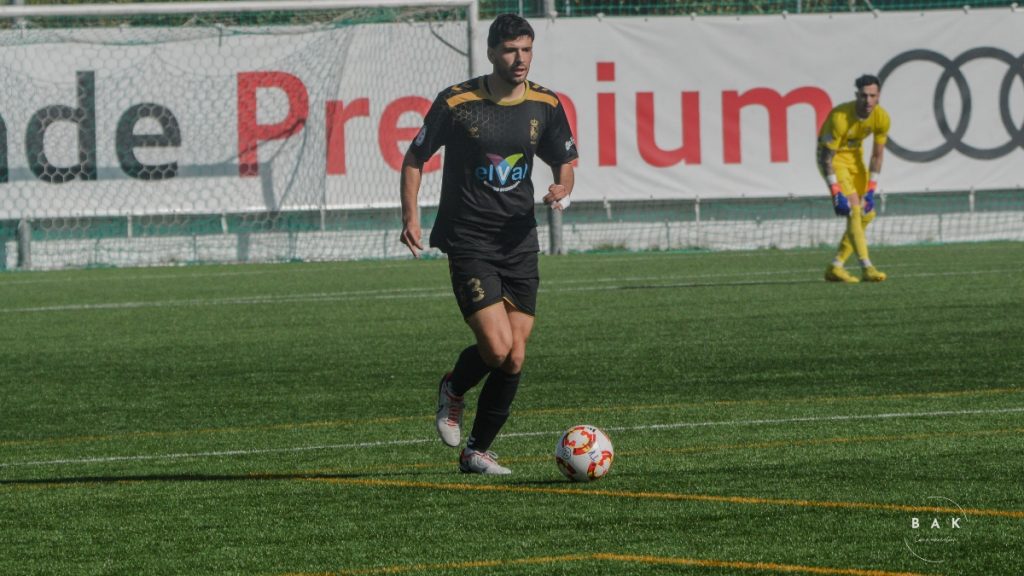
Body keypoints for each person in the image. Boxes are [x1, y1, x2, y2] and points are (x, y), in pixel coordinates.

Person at [399, 14, 578, 474]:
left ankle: (477, 450)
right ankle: (453, 389)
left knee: (516, 355)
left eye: (527, 49)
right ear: (493, 52)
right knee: (496, 349)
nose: (520, 59)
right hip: (469, 239)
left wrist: (563, 186)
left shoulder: (545, 103)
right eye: (511, 50)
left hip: (519, 242)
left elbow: (565, 161)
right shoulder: (458, 102)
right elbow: (415, 158)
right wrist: (411, 217)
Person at [817, 74, 890, 283]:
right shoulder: (840, 117)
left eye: (872, 96)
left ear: (878, 96)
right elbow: (826, 158)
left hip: (854, 159)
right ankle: (867, 267)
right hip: (833, 160)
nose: (868, 101)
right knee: (855, 210)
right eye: (864, 96)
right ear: (857, 95)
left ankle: (836, 266)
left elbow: (877, 155)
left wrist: (871, 189)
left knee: (868, 213)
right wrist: (835, 192)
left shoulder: (882, 118)